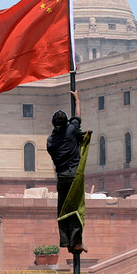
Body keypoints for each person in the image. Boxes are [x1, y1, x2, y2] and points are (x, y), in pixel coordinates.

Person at [47, 90, 88, 254]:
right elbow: (78, 117)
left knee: (63, 209)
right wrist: (77, 99)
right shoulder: (71, 131)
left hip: (62, 177)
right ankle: (77, 242)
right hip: (74, 176)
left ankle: (66, 241)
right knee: (77, 207)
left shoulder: (50, 141)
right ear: (66, 122)